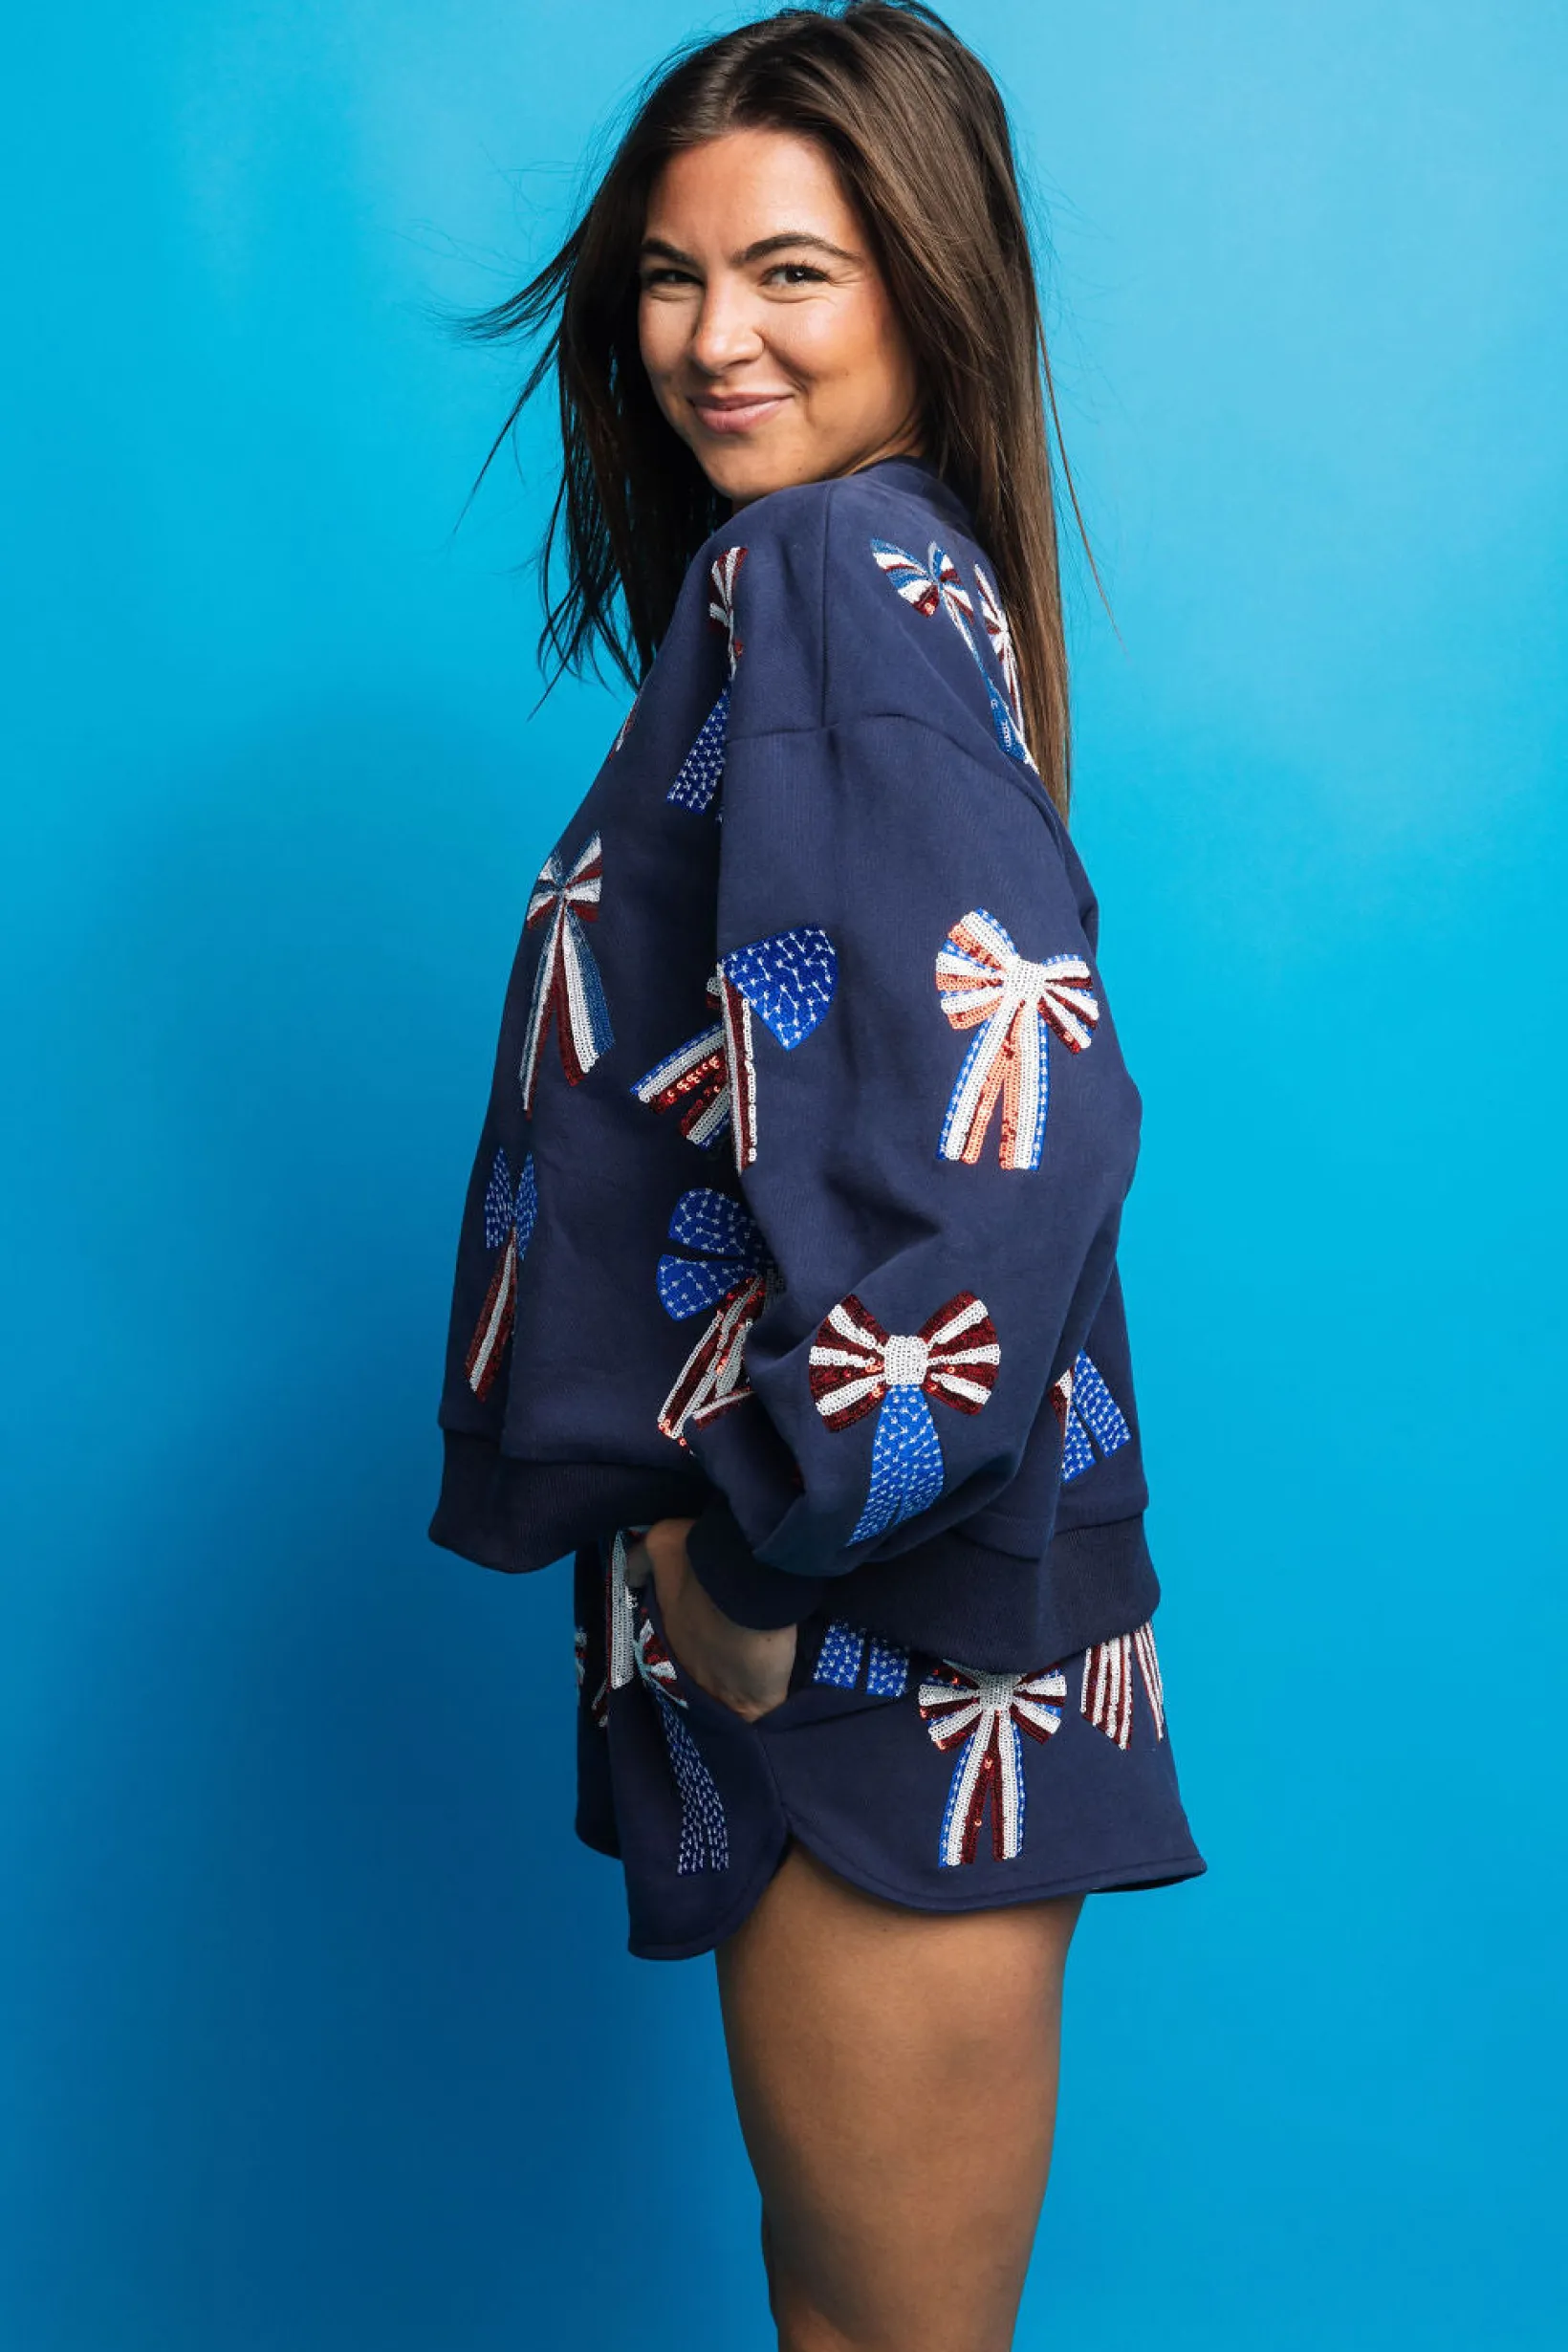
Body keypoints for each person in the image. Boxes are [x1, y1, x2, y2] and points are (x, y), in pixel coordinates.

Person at [431, 6, 1206, 2345]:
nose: (710, 340)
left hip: (879, 1635)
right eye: (671, 279)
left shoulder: (836, 576)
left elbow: (1014, 1126)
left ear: (923, 287)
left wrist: (763, 1529)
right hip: (879, 1623)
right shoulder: (862, 584)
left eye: (791, 273)